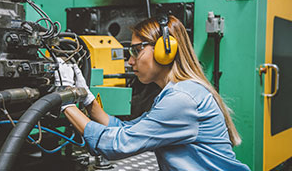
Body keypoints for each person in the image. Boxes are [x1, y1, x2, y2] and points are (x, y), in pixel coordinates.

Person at [58, 15, 251, 171]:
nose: (130, 61)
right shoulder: (177, 92)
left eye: (136, 51)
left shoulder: (182, 99)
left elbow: (116, 145)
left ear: (164, 49)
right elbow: (125, 130)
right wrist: (87, 99)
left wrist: (65, 98)